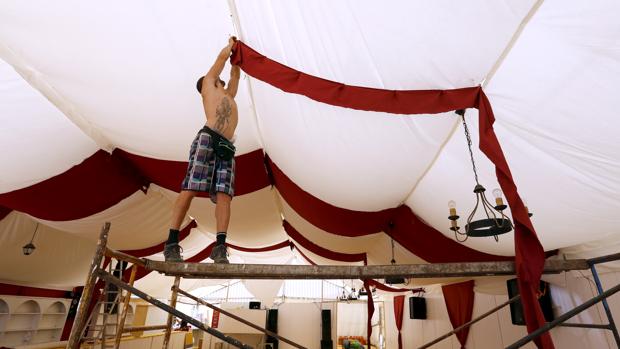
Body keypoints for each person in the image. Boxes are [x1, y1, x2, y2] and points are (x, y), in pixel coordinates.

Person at [164, 37, 240, 264]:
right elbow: (220, 61)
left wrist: (239, 56)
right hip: (208, 138)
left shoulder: (229, 95)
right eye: (220, 79)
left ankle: (220, 247)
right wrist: (229, 48)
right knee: (190, 188)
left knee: (225, 195)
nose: (223, 81)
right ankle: (171, 243)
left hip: (226, 146)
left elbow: (235, 75)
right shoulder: (208, 83)